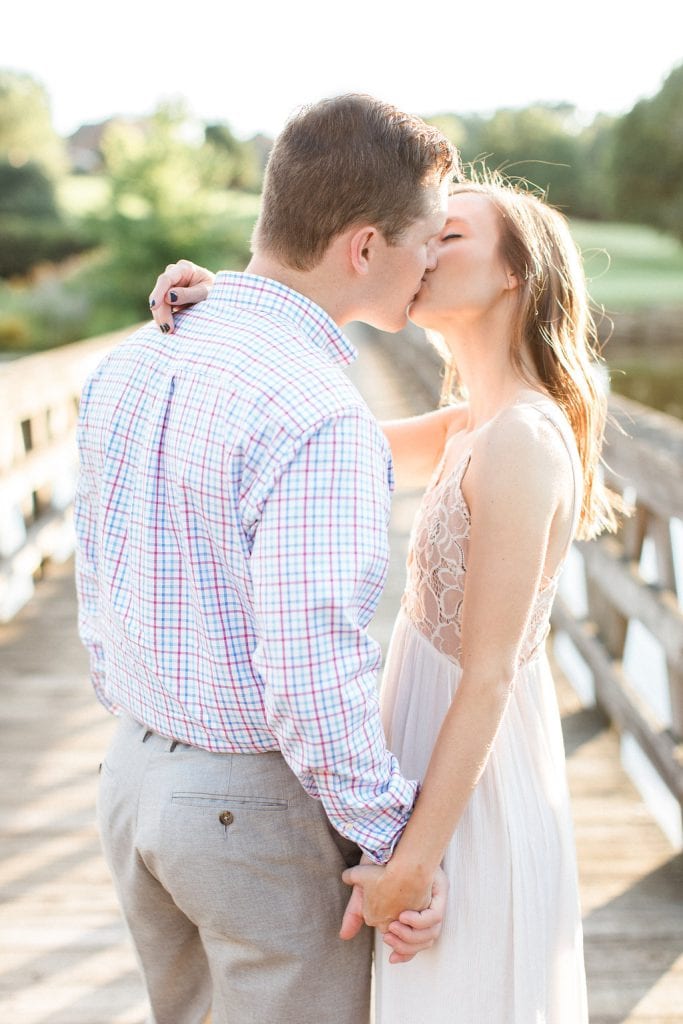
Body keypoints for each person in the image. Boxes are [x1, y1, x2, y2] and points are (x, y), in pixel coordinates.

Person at [154, 175, 621, 1023]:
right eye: (425, 234)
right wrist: (234, 301)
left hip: (467, 781)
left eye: (452, 237)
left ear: (515, 272)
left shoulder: (521, 436)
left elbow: (487, 677)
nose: (425, 249)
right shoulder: (470, 420)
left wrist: (414, 861)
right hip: (420, 752)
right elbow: (312, 439)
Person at [74, 93, 458, 1024]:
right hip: (246, 809)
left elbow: (98, 574)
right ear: (364, 249)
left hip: (131, 779)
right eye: (429, 238)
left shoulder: (136, 356)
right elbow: (309, 666)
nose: (434, 261)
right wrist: (394, 848)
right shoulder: (317, 412)